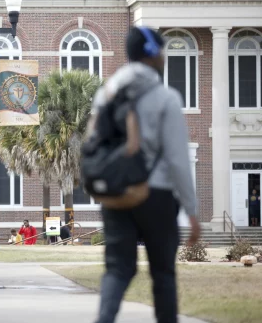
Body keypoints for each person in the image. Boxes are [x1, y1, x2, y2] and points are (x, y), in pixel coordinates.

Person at [90, 27, 200, 323]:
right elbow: (178, 160)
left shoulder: (106, 94)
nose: (164, 56)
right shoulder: (166, 98)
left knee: (117, 269)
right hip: (157, 196)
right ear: (152, 53)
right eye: (162, 50)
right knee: (163, 273)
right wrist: (192, 211)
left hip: (115, 195)